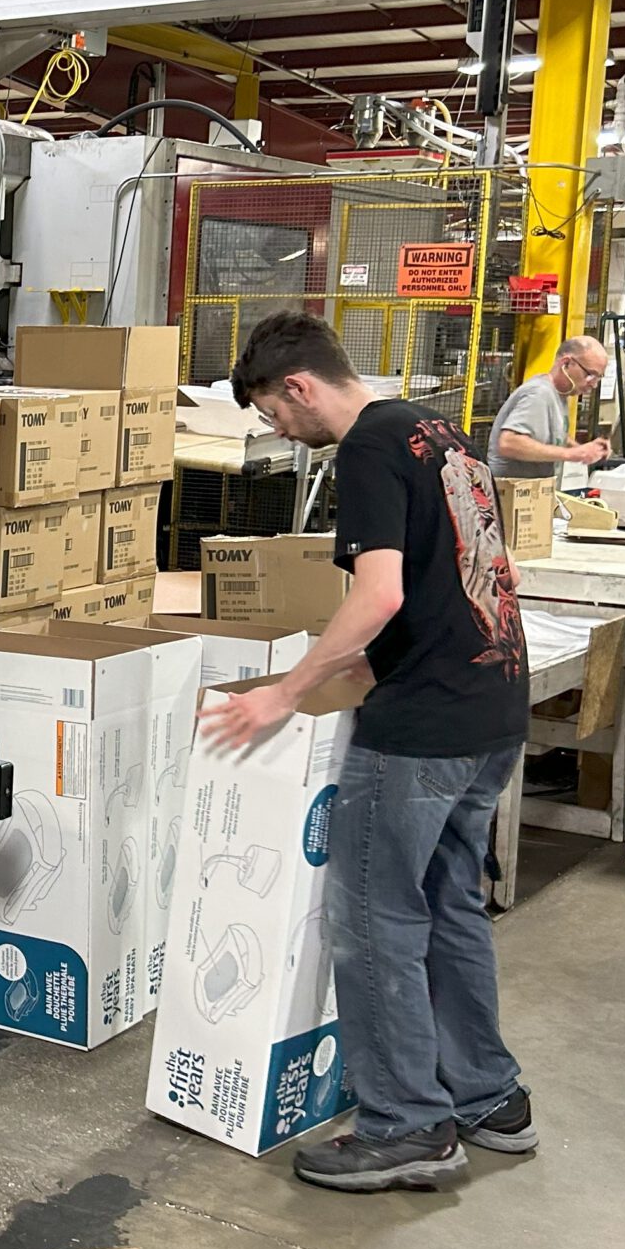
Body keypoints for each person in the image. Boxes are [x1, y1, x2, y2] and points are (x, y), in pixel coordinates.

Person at [199, 312, 532, 1194]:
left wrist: (285, 691)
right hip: (494, 706)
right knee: (451, 901)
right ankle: (488, 1095)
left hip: (420, 727)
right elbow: (491, 567)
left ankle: (410, 1126)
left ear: (299, 387)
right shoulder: (440, 429)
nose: (278, 431)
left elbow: (377, 595)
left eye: (273, 412)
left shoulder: (367, 449)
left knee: (374, 919)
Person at [489, 335, 611, 483]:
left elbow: (553, 433)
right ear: (566, 363)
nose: (594, 384)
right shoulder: (539, 393)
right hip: (509, 497)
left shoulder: (558, 395)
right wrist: (571, 454)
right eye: (590, 374)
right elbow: (509, 443)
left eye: (598, 377)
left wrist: (584, 449)